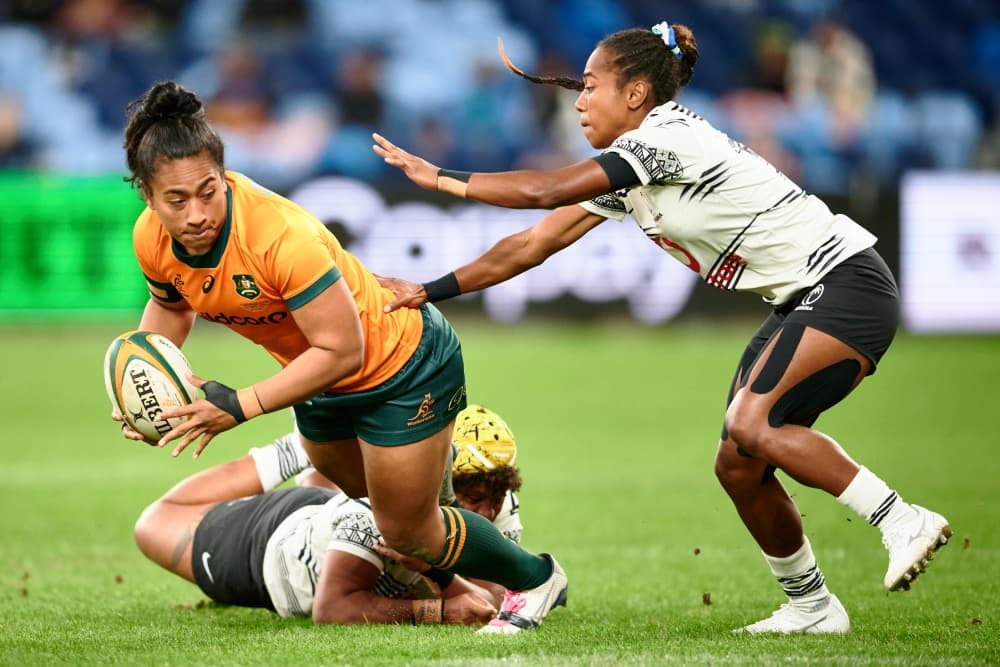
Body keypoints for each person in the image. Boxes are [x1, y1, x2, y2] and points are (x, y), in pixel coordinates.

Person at [371, 22, 952, 634]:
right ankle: (812, 608)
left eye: (591, 85)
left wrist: (441, 177)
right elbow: (533, 245)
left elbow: (546, 191)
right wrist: (428, 290)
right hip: (802, 298)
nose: (579, 101)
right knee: (738, 463)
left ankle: (900, 519)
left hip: (846, 285)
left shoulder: (664, 140)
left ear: (637, 92)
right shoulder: (639, 168)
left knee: (753, 422)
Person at [119, 80, 565, 635]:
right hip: (321, 384)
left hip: (402, 363)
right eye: (175, 200)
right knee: (384, 511)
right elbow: (171, 309)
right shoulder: (151, 240)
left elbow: (343, 348)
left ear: (226, 175)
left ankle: (536, 577)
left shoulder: (279, 234)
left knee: (407, 531)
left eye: (208, 191)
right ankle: (460, 567)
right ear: (146, 194)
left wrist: (238, 405)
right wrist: (150, 383)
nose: (196, 213)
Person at [133, 431, 497, 624]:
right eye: (476, 498)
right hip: (271, 543)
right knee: (155, 522)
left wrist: (443, 577)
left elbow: (490, 600)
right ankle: (307, 443)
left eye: (495, 498)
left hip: (322, 512)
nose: (488, 511)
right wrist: (440, 613)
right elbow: (333, 609)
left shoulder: (493, 509)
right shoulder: (371, 517)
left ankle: (319, 445)